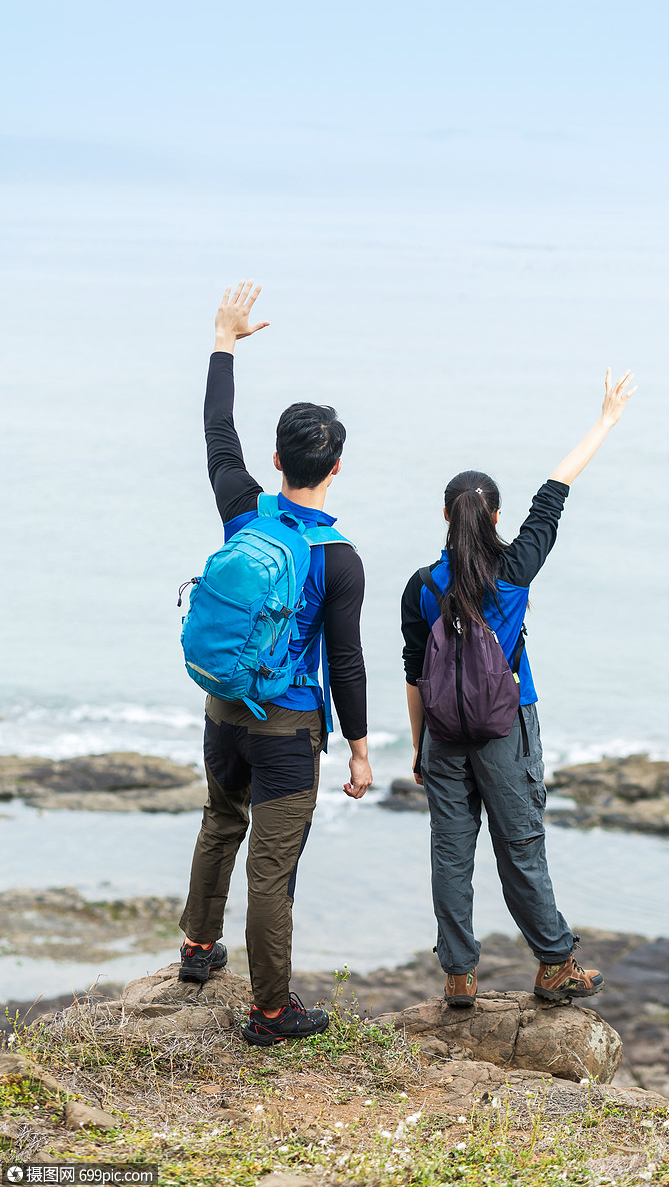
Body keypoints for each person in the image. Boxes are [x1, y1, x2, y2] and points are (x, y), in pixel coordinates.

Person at [401, 369, 637, 1007]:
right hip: (507, 726)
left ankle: (458, 975)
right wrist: (606, 419)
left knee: (451, 854)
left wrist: (420, 750)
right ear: (497, 516)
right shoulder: (517, 567)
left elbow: (416, 671)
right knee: (521, 844)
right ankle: (554, 964)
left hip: (445, 738)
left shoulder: (422, 586)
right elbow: (555, 491)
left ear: (445, 516)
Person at [179, 281, 372, 1047]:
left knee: (220, 819)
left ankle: (197, 949)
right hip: (289, 728)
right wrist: (359, 750)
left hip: (224, 707)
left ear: (276, 461)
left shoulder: (241, 507)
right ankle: (269, 1010)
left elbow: (215, 432)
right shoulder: (340, 559)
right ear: (334, 469)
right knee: (272, 870)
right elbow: (349, 666)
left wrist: (224, 340)